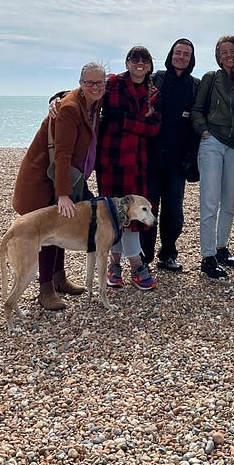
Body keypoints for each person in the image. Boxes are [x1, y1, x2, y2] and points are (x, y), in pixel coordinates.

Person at [12, 62, 106, 310]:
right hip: (45, 179)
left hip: (63, 177)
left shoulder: (93, 102)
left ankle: (59, 278)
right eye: (89, 82)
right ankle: (45, 290)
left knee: (60, 227)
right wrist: (63, 194)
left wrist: (58, 95)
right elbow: (62, 155)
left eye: (100, 82)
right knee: (48, 232)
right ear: (81, 83)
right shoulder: (70, 109)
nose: (95, 87)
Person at [191, 35, 234, 280]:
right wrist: (203, 130)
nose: (228, 55)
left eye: (232, 51)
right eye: (223, 52)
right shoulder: (211, 78)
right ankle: (207, 256)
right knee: (209, 200)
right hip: (213, 141)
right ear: (218, 56)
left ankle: (221, 248)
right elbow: (197, 109)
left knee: (229, 201)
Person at [98, 45, 161, 292]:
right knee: (113, 214)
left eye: (144, 60)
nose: (139, 64)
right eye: (135, 59)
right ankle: (122, 266)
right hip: (110, 160)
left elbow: (154, 128)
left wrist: (123, 120)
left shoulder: (154, 92)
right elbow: (85, 92)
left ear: (149, 65)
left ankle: (128, 265)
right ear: (127, 62)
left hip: (136, 161)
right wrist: (56, 99)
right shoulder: (112, 83)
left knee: (133, 215)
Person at [146, 38, 200, 272]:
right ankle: (144, 258)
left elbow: (200, 117)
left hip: (178, 161)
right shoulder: (154, 79)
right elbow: (119, 86)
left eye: (186, 54)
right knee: (147, 210)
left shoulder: (195, 86)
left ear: (191, 59)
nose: (181, 57)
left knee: (174, 213)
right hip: (150, 157)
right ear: (171, 54)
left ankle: (168, 253)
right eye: (178, 53)